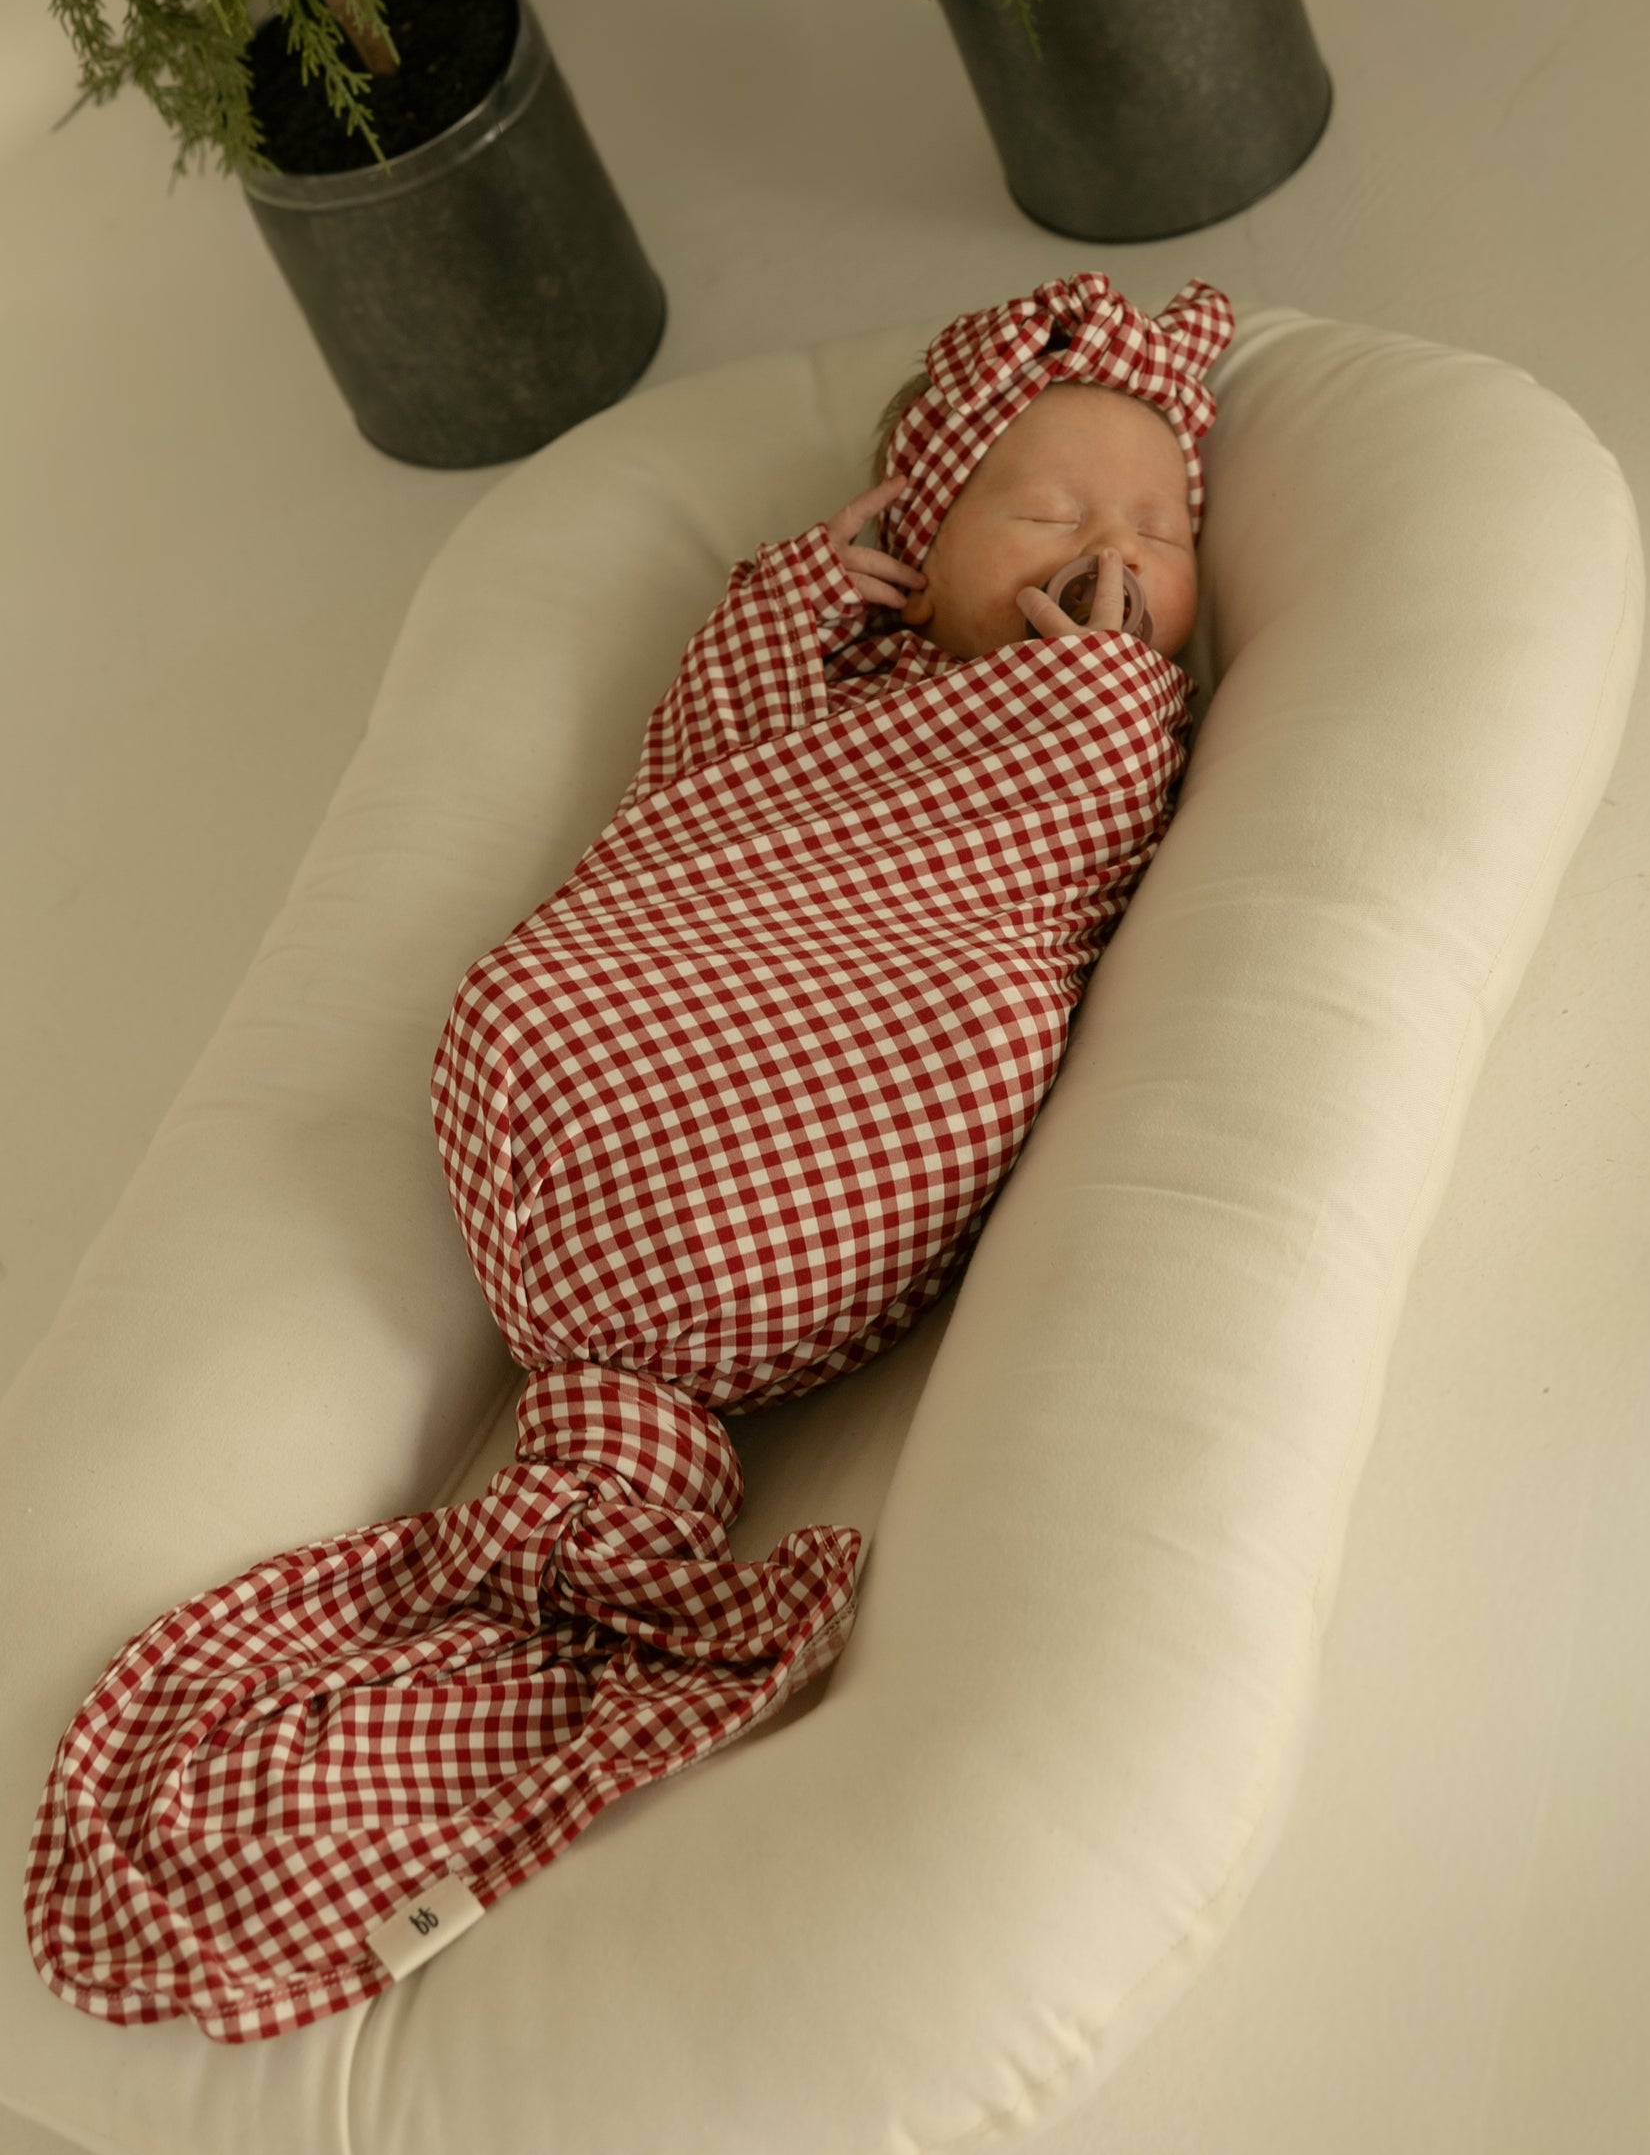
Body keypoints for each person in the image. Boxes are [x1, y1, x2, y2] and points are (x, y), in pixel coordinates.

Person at [27, 271, 1235, 2044]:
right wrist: (796, 600)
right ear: (926, 535)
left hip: (856, 1079)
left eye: (1159, 527)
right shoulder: (843, 687)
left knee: (978, 1006)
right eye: (1044, 511)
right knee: (564, 975)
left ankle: (592, 1507)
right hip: (606, 1042)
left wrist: (1102, 704)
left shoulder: (1118, 717)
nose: (1109, 551)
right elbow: (692, 787)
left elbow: (1070, 881)